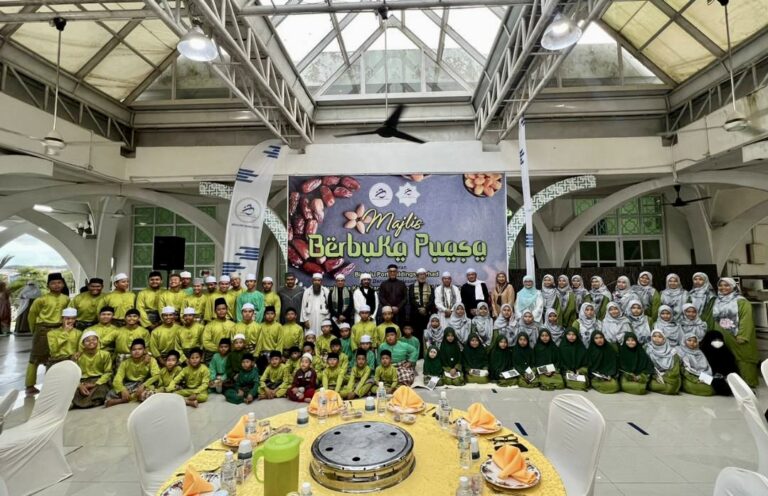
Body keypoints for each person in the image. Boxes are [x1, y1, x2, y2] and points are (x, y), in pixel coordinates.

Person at [25, 272, 70, 395]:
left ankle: (52, 384)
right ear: (48, 285)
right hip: (43, 330)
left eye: (59, 283)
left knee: (56, 357)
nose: (56, 285)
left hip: (59, 329)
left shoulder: (66, 299)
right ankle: (29, 386)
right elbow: (32, 316)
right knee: (35, 358)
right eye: (53, 283)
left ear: (63, 284)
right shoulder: (41, 300)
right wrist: (34, 331)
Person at [709, 277, 759, 387]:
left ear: (733, 287)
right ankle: (733, 384)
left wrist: (743, 335)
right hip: (723, 334)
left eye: (727, 285)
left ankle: (748, 384)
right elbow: (714, 319)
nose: (723, 288)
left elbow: (746, 319)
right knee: (726, 358)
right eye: (721, 285)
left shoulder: (741, 301)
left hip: (737, 335)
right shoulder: (717, 301)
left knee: (743, 358)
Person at [106, 338, 159, 407]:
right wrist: (122, 390)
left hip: (144, 383)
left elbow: (156, 375)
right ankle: (130, 397)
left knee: (151, 395)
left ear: (144, 350)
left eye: (140, 349)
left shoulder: (151, 360)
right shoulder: (125, 363)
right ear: (130, 351)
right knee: (111, 393)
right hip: (130, 385)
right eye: (134, 350)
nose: (137, 351)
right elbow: (117, 380)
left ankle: (123, 400)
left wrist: (144, 385)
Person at [72, 331, 113, 408]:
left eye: (94, 339)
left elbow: (108, 372)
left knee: (101, 390)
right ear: (82, 343)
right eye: (87, 340)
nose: (91, 342)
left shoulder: (105, 354)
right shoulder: (78, 356)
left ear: (98, 341)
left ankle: (82, 403)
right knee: (71, 390)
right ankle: (88, 401)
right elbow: (73, 373)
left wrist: (96, 384)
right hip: (83, 381)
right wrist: (80, 385)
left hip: (99, 380)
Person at [700, 330, 738, 396]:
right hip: (705, 375)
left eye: (719, 340)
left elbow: (732, 367)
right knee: (715, 382)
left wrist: (726, 376)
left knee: (735, 380)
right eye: (714, 340)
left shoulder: (726, 351)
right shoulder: (701, 352)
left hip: (723, 376)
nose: (717, 342)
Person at [645, 330, 681, 395]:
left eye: (660, 337)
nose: (657, 338)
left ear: (664, 339)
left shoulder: (672, 353)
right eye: (654, 336)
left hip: (669, 377)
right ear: (651, 337)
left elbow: (675, 370)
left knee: (673, 385)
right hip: (653, 377)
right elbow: (645, 368)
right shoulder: (647, 349)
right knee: (669, 388)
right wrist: (655, 376)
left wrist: (664, 376)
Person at [407, 268, 434, 351]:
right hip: (415, 316)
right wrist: (420, 308)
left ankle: (426, 353)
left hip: (426, 316)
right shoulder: (411, 287)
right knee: (416, 335)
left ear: (426, 276)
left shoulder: (430, 287)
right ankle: (417, 353)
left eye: (424, 274)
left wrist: (425, 308)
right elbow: (411, 299)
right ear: (417, 276)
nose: (422, 276)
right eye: (420, 275)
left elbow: (432, 300)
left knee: (427, 335)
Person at [202, 298, 236, 363]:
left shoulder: (233, 325)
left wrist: (228, 349)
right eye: (219, 309)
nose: (221, 311)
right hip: (213, 354)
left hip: (230, 354)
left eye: (223, 309)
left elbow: (235, 341)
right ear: (215, 311)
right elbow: (206, 342)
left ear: (227, 310)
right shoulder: (209, 326)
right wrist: (220, 349)